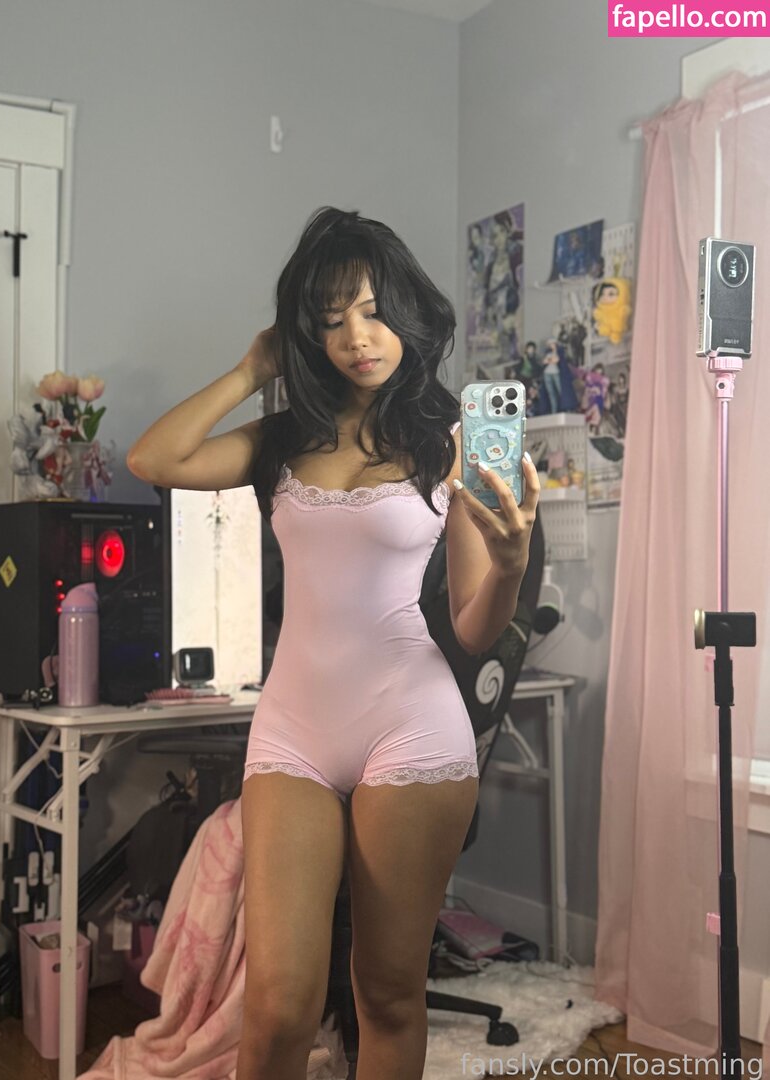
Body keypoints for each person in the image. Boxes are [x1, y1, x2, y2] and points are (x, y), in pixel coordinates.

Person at [127, 206, 539, 1080]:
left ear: (406, 313)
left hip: (411, 721)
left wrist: (508, 565)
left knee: (385, 993)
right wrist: (251, 368)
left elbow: (475, 626)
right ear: (305, 335)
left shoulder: (443, 443)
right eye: (331, 318)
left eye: (374, 311)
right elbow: (154, 460)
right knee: (277, 1007)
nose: (357, 337)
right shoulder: (282, 441)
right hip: (294, 730)